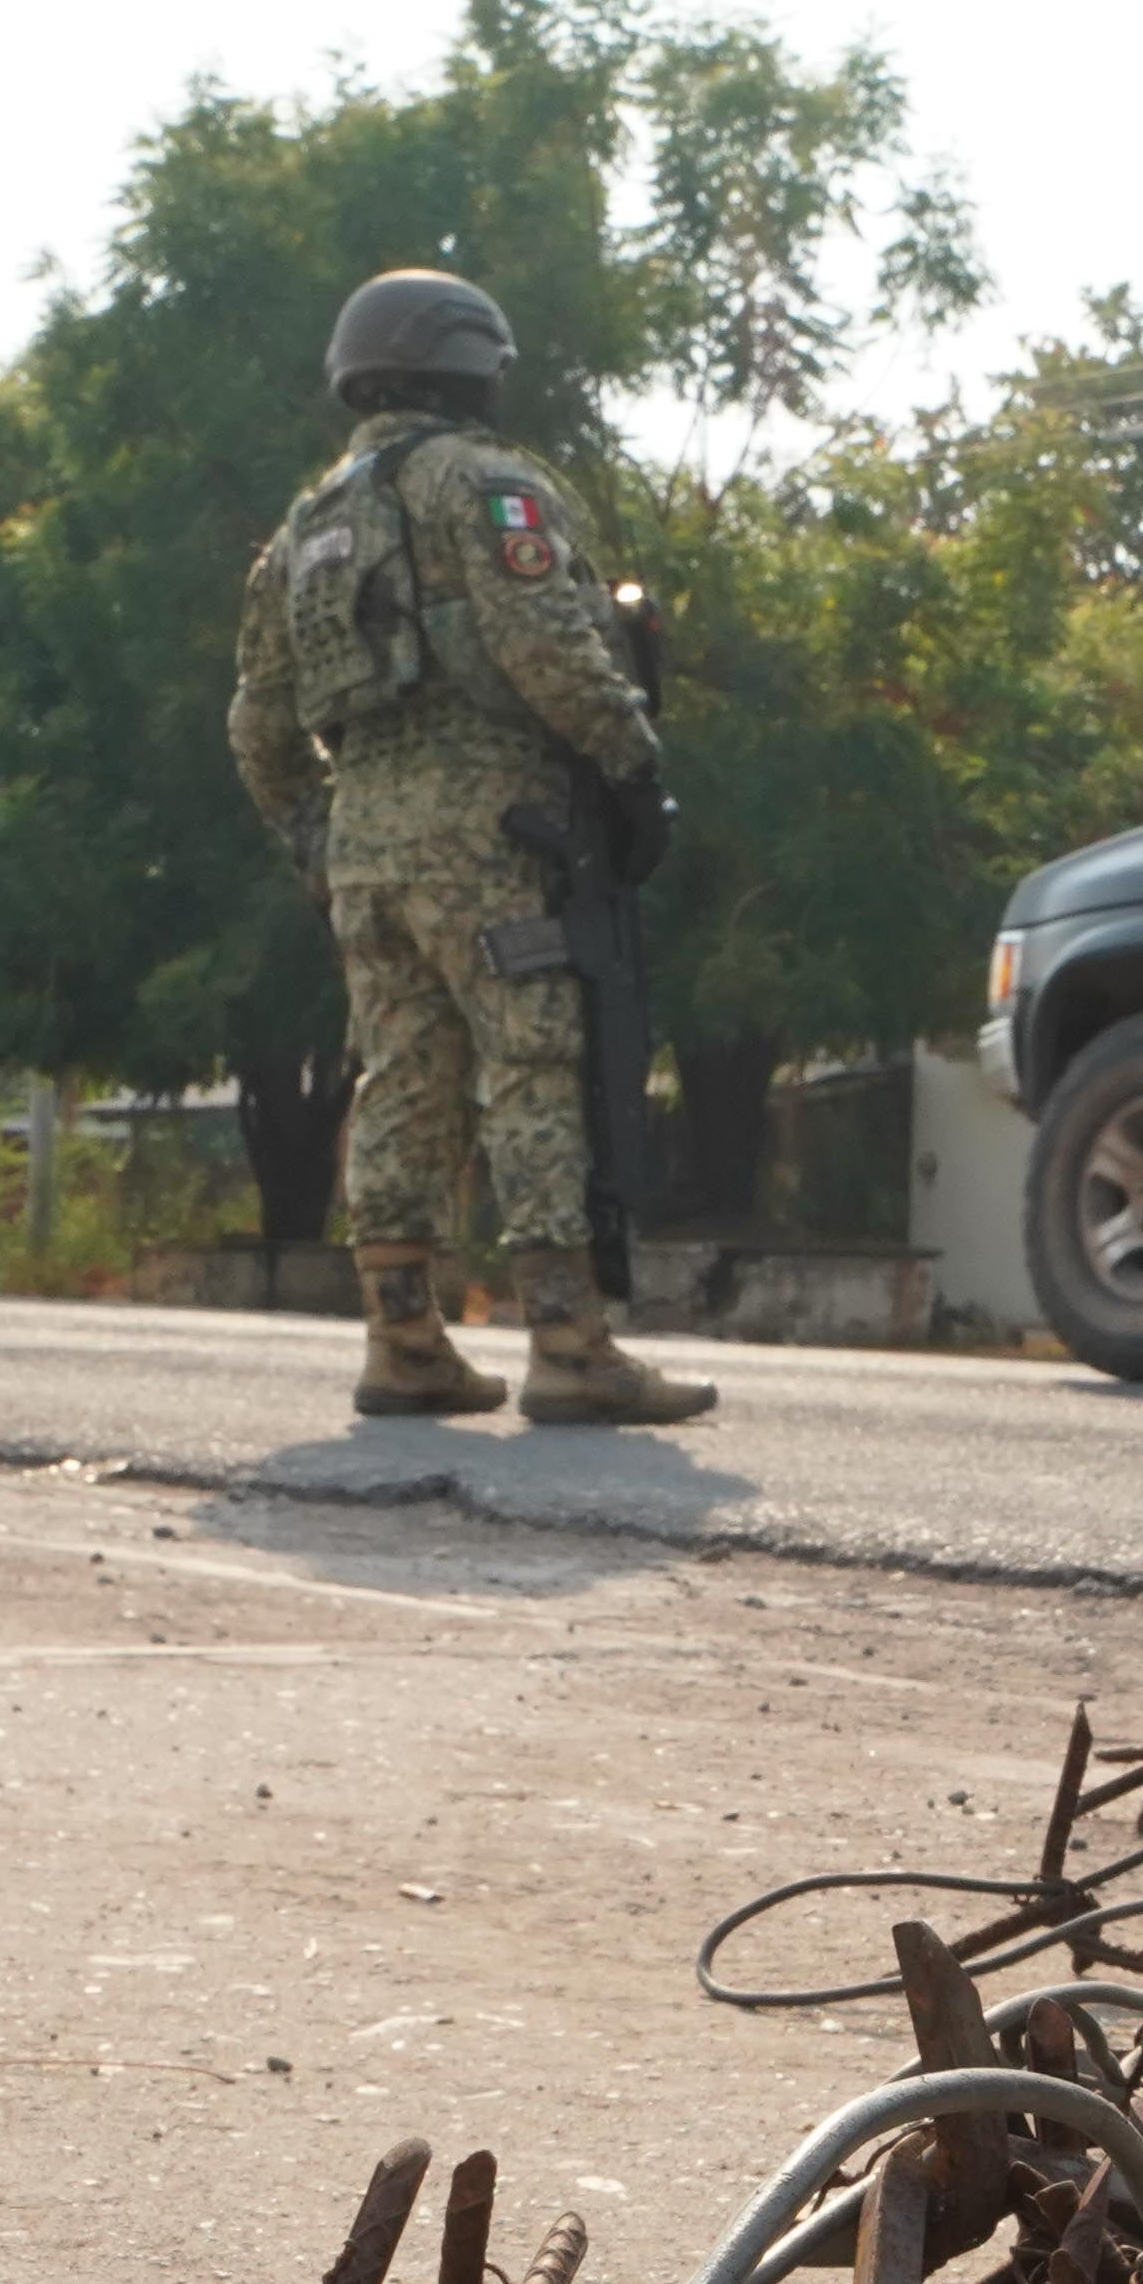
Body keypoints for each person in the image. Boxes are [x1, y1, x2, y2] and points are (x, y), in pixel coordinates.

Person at [226, 268, 715, 1426]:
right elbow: (546, 641)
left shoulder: (304, 530)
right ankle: (570, 1345)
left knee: (402, 1077)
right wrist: (633, 766)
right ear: (464, 363)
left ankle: (403, 1343)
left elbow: (257, 722)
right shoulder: (485, 484)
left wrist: (320, 836)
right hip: (498, 832)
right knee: (534, 1063)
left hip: (367, 847)